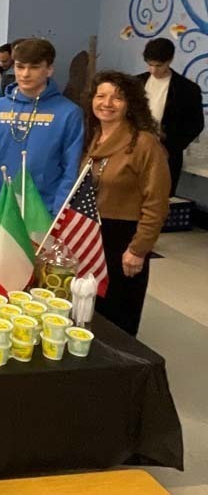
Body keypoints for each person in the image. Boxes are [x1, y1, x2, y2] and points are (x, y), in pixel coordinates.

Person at [84, 71, 170, 336]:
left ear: (130, 104)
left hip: (124, 239)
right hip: (91, 235)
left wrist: (139, 248)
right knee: (89, 309)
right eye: (101, 96)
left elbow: (156, 202)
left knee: (118, 313)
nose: (107, 103)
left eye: (117, 98)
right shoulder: (93, 138)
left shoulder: (144, 143)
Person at [0, 38, 84, 213]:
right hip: (1, 209)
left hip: (45, 212)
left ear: (49, 70)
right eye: (20, 66)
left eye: (34, 67)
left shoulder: (69, 113)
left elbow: (70, 168)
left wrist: (59, 213)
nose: (25, 74)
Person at [137, 37, 204, 196]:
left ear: (170, 60)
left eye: (159, 65)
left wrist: (171, 148)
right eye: (150, 64)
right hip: (133, 150)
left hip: (166, 154)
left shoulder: (187, 89)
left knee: (160, 200)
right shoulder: (136, 82)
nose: (153, 70)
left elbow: (196, 125)